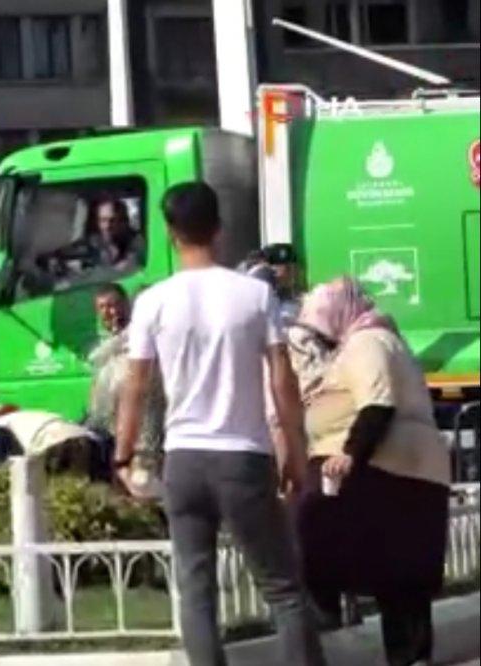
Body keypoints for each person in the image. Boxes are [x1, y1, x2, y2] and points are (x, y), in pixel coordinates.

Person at [114, 182, 326, 666]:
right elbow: (282, 379)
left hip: (184, 459)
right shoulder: (254, 295)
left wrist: (123, 455)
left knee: (197, 592)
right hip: (243, 457)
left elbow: (135, 386)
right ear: (220, 229)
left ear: (171, 233)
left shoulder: (154, 301)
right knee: (282, 590)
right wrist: (293, 451)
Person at [293, 278, 451, 666]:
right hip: (406, 473)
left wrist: (350, 454)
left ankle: (327, 613)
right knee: (400, 581)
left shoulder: (369, 342)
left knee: (313, 528)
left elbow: (376, 405)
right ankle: (410, 657)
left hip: (390, 471)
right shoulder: (372, 340)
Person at [86, 283, 165, 494]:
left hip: (143, 441)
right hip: (111, 432)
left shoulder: (140, 341)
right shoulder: (107, 351)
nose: (109, 313)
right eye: (102, 308)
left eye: (114, 306)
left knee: (143, 491)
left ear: (127, 306)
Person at [88, 195, 145, 271]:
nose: (108, 226)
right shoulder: (92, 243)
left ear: (123, 222)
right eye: (103, 220)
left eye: (113, 220)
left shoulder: (137, 241)